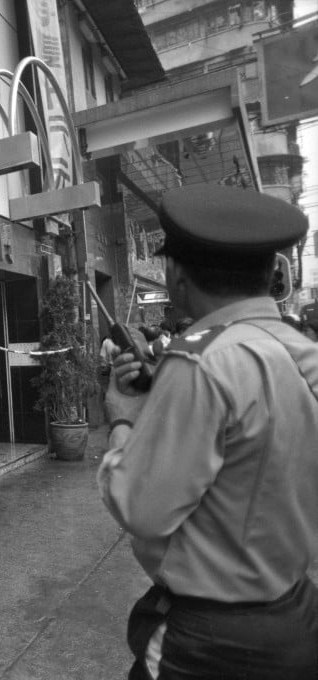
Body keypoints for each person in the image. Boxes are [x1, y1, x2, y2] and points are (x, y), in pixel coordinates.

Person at [99, 185, 318, 680]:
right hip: (296, 612)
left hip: (214, 643)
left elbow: (141, 509)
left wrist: (124, 419)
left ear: (176, 275)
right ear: (272, 274)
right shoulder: (303, 351)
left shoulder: (201, 360)